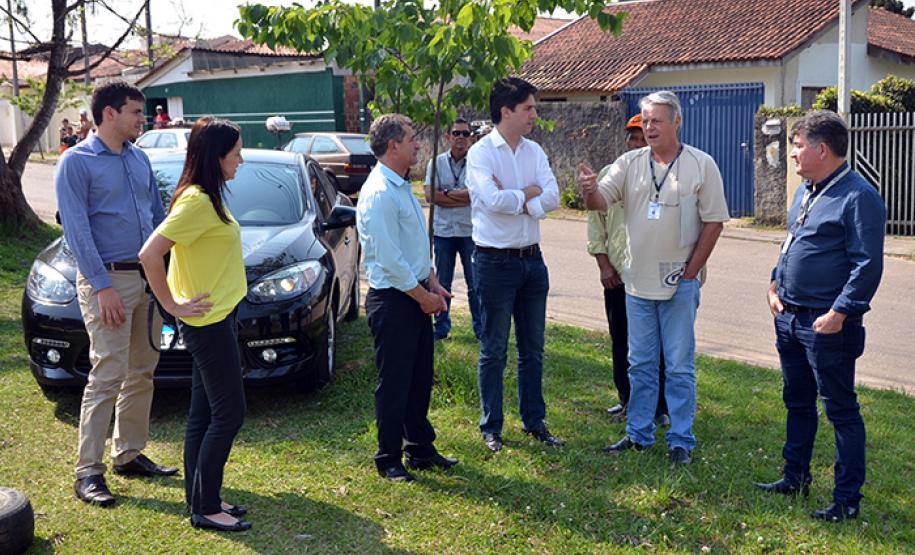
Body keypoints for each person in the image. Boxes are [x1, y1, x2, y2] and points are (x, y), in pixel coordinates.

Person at [579, 90, 729, 465]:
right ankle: (639, 433)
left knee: (678, 365)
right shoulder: (629, 162)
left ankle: (681, 439)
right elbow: (601, 202)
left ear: (677, 122)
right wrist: (589, 191)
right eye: (644, 121)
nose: (648, 127)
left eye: (656, 120)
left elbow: (715, 222)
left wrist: (691, 272)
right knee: (640, 363)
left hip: (681, 283)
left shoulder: (701, 164)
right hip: (637, 284)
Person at [754, 111, 886, 523]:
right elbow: (791, 242)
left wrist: (840, 312)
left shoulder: (858, 196)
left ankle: (846, 501)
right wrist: (775, 283)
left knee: (840, 409)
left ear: (822, 149)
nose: (792, 153)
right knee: (796, 401)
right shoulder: (806, 190)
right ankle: (795, 477)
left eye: (797, 145)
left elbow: (867, 265)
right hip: (790, 318)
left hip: (828, 324)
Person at [56, 80, 176, 508]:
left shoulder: (139, 158)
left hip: (146, 280)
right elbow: (77, 230)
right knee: (107, 374)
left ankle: (128, 453)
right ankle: (88, 471)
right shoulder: (76, 163)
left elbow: (157, 219)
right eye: (135, 113)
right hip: (108, 281)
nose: (142, 120)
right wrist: (102, 286)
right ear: (110, 113)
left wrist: (164, 277)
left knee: (143, 368)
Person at [138, 117, 251, 532]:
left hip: (219, 315)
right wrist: (171, 305)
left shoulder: (207, 197)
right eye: (236, 152)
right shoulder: (197, 201)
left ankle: (200, 497)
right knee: (230, 413)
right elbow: (149, 254)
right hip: (208, 322)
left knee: (203, 413)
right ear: (216, 156)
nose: (241, 159)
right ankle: (205, 508)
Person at [357, 113, 459, 482]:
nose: (418, 144)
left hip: (414, 295)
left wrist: (431, 281)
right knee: (395, 381)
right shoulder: (380, 192)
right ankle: (388, 457)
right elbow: (388, 258)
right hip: (395, 299)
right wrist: (422, 297)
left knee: (418, 378)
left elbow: (412, 246)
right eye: (412, 138)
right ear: (393, 145)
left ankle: (419, 448)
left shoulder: (400, 186)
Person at [466, 77, 563, 453]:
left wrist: (525, 201)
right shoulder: (481, 153)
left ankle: (534, 420)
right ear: (506, 111)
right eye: (528, 108)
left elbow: (553, 193)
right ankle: (491, 426)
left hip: (532, 261)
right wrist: (528, 195)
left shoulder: (534, 151)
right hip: (494, 262)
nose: (534, 115)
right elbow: (490, 201)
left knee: (533, 348)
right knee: (494, 348)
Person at [587, 114, 669, 425]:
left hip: (651, 276)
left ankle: (659, 407)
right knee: (620, 338)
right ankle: (626, 399)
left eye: (642, 138)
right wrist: (603, 264)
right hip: (617, 275)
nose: (636, 143)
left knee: (653, 344)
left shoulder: (664, 176)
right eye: (632, 138)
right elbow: (596, 224)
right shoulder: (611, 174)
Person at [424, 116, 482, 341]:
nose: (461, 138)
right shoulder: (435, 163)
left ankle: (480, 329)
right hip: (444, 232)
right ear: (448, 137)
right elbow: (430, 196)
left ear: (471, 138)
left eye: (465, 134)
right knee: (442, 283)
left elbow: (477, 195)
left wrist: (445, 194)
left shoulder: (477, 163)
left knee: (475, 284)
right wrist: (460, 196)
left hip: (469, 232)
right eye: (456, 133)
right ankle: (441, 328)